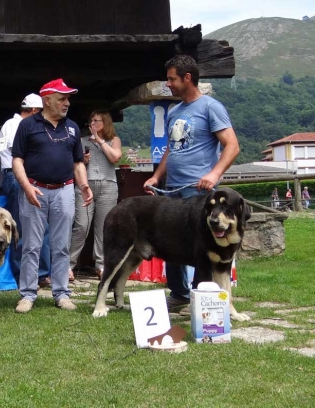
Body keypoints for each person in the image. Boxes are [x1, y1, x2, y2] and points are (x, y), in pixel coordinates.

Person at [142, 54, 240, 311]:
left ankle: (201, 298)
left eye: (172, 79)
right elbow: (169, 150)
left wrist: (214, 175)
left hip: (200, 194)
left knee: (200, 248)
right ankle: (179, 295)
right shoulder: (175, 111)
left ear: (187, 78)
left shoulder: (211, 107)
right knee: (170, 243)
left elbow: (232, 146)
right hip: (172, 190)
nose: (168, 84)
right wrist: (155, 176)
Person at [12, 78, 93, 313]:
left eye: (68, 98)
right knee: (31, 245)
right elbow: (17, 160)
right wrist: (26, 187)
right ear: (47, 100)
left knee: (61, 245)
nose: (67, 103)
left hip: (65, 190)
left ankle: (61, 293)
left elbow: (78, 162)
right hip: (35, 189)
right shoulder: (27, 125)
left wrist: (84, 185)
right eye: (62, 98)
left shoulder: (73, 127)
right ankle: (27, 294)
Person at [0, 94, 53, 288]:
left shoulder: (25, 125)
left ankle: (42, 273)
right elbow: (21, 154)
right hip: (17, 177)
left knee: (42, 226)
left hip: (32, 177)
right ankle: (23, 275)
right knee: (21, 228)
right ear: (34, 111)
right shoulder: (13, 125)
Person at [68, 110, 122, 280]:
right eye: (90, 121)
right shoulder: (82, 141)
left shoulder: (114, 140)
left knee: (104, 228)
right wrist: (83, 160)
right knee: (81, 225)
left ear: (105, 123)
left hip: (108, 186)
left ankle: (101, 265)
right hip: (85, 186)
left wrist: (99, 141)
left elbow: (115, 158)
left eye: (96, 121)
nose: (92, 124)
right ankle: (68, 264)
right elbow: (73, 165)